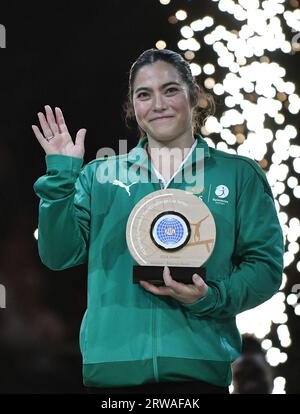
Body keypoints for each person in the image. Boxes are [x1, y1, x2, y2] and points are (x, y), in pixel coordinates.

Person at [32, 48, 284, 394]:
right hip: (112, 376)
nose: (158, 104)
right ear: (133, 108)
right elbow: (57, 255)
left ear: (194, 96)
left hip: (198, 375)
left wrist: (209, 297)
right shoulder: (100, 176)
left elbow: (266, 268)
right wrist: (61, 177)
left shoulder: (238, 175)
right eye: (144, 94)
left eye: (170, 90)